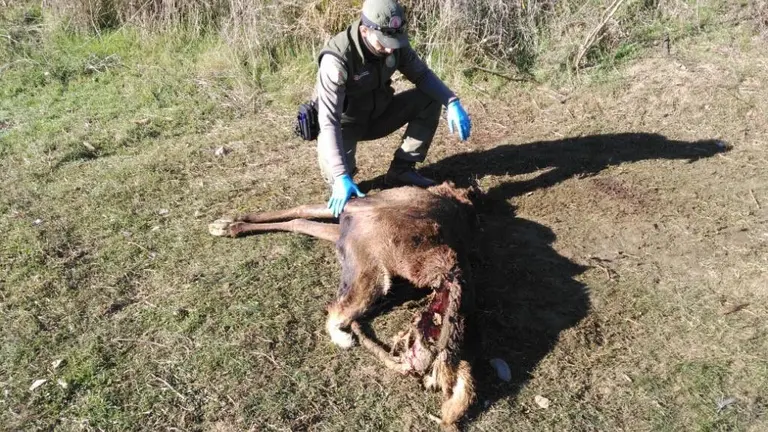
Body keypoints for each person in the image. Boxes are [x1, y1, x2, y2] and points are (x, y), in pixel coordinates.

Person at [315, 0, 472, 217]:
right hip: (345, 126)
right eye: (383, 42)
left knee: (429, 98)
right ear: (364, 31)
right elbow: (329, 120)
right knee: (347, 191)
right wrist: (341, 175)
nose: (390, 48)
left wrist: (451, 101)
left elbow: (422, 76)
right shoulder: (337, 61)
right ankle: (343, 178)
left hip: (379, 115)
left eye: (394, 41)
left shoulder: (395, 44)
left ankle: (402, 170)